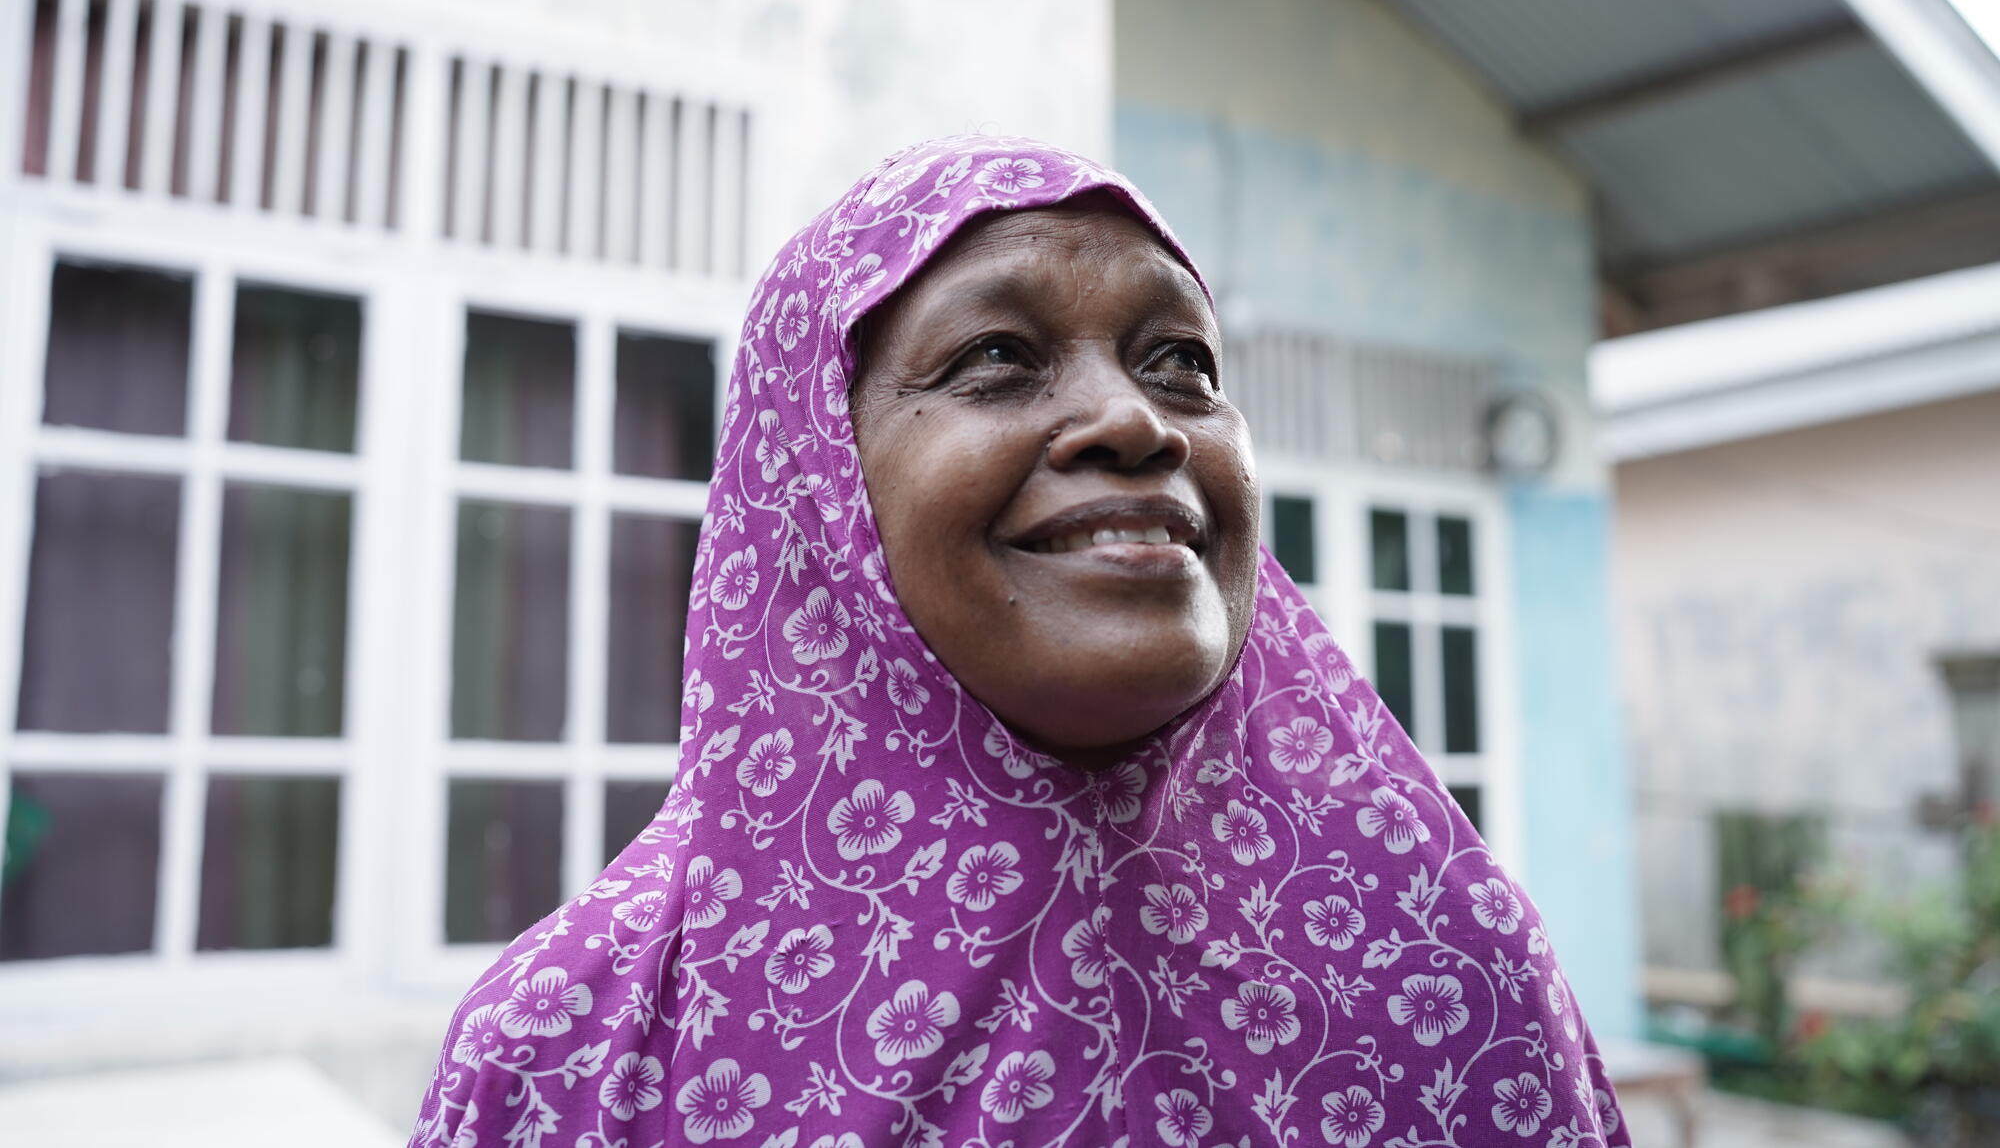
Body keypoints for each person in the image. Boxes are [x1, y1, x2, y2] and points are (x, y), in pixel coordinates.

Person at [408, 135, 1628, 1147]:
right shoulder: (577, 1051)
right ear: (816, 489)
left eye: (1181, 362)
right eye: (995, 357)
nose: (1131, 419)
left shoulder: (1444, 973)